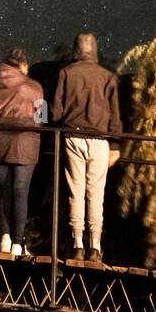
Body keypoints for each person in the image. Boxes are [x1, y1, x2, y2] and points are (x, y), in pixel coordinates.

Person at [52, 32, 122, 264]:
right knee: (96, 194)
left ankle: (77, 245)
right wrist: (115, 144)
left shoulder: (66, 73)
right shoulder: (108, 77)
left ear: (76, 50)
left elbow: (56, 113)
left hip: (73, 136)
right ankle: (95, 247)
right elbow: (115, 115)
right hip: (101, 141)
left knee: (76, 192)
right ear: (95, 50)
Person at [0, 46, 44, 258]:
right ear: (22, 65)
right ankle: (18, 244)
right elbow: (42, 118)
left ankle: (4, 238)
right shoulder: (35, 87)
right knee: (21, 192)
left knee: (3, 191)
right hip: (25, 143)